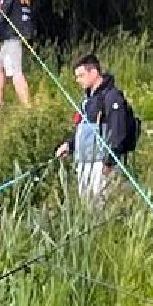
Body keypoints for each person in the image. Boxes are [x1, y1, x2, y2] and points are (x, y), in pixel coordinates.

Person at [52, 54, 137, 205]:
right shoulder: (87, 101)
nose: (78, 80)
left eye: (81, 76)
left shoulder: (112, 97)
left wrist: (109, 162)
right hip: (84, 162)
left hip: (101, 165)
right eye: (76, 77)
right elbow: (84, 130)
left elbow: (118, 131)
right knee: (87, 207)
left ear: (94, 72)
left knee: (102, 206)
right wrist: (69, 145)